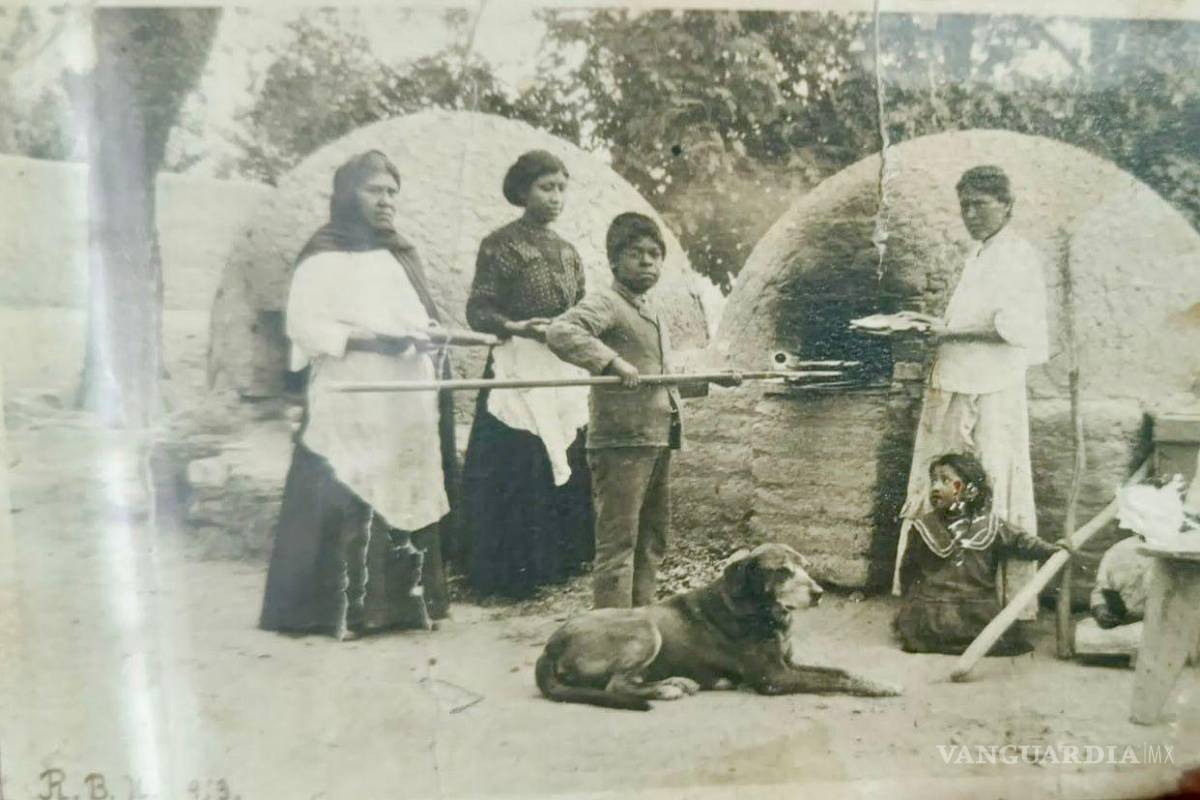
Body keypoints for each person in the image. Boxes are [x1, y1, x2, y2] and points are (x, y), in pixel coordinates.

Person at [259, 151, 456, 639]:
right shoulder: (323, 255)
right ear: (348, 195)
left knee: (399, 486)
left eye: (392, 192)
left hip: (403, 395)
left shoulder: (401, 253)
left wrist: (426, 333)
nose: (386, 201)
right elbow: (303, 326)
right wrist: (368, 339)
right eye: (375, 191)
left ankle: (403, 607)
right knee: (346, 482)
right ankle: (336, 612)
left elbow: (419, 314)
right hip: (351, 392)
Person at [546, 212, 739, 609]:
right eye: (637, 254)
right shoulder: (607, 303)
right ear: (615, 261)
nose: (648, 262)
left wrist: (711, 379)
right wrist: (612, 363)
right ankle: (611, 636)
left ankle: (644, 625)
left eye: (655, 254)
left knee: (652, 541)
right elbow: (561, 331)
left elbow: (658, 379)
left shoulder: (651, 312)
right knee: (619, 544)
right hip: (620, 441)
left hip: (656, 438)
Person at [892, 165, 1050, 622]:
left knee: (993, 477)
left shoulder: (1017, 255)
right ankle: (934, 593)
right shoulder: (979, 254)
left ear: (1007, 206)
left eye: (980, 204)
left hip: (994, 385)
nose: (971, 214)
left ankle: (1003, 600)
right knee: (944, 479)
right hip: (959, 378)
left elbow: (1012, 327)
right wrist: (936, 331)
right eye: (965, 206)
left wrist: (947, 331)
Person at [460, 150, 594, 598]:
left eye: (561, 188)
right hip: (517, 363)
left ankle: (559, 559)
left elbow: (583, 307)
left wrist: (570, 329)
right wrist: (518, 327)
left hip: (558, 364)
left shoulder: (568, 252)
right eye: (546, 187)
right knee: (517, 460)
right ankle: (508, 571)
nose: (555, 197)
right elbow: (479, 309)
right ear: (522, 191)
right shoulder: (500, 244)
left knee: (565, 453)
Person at [895, 452, 1066, 655]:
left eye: (945, 481)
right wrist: (913, 605)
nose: (935, 487)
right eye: (933, 481)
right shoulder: (924, 526)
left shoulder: (990, 525)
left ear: (970, 491)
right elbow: (908, 570)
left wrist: (1051, 549)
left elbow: (1021, 541)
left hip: (975, 610)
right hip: (934, 612)